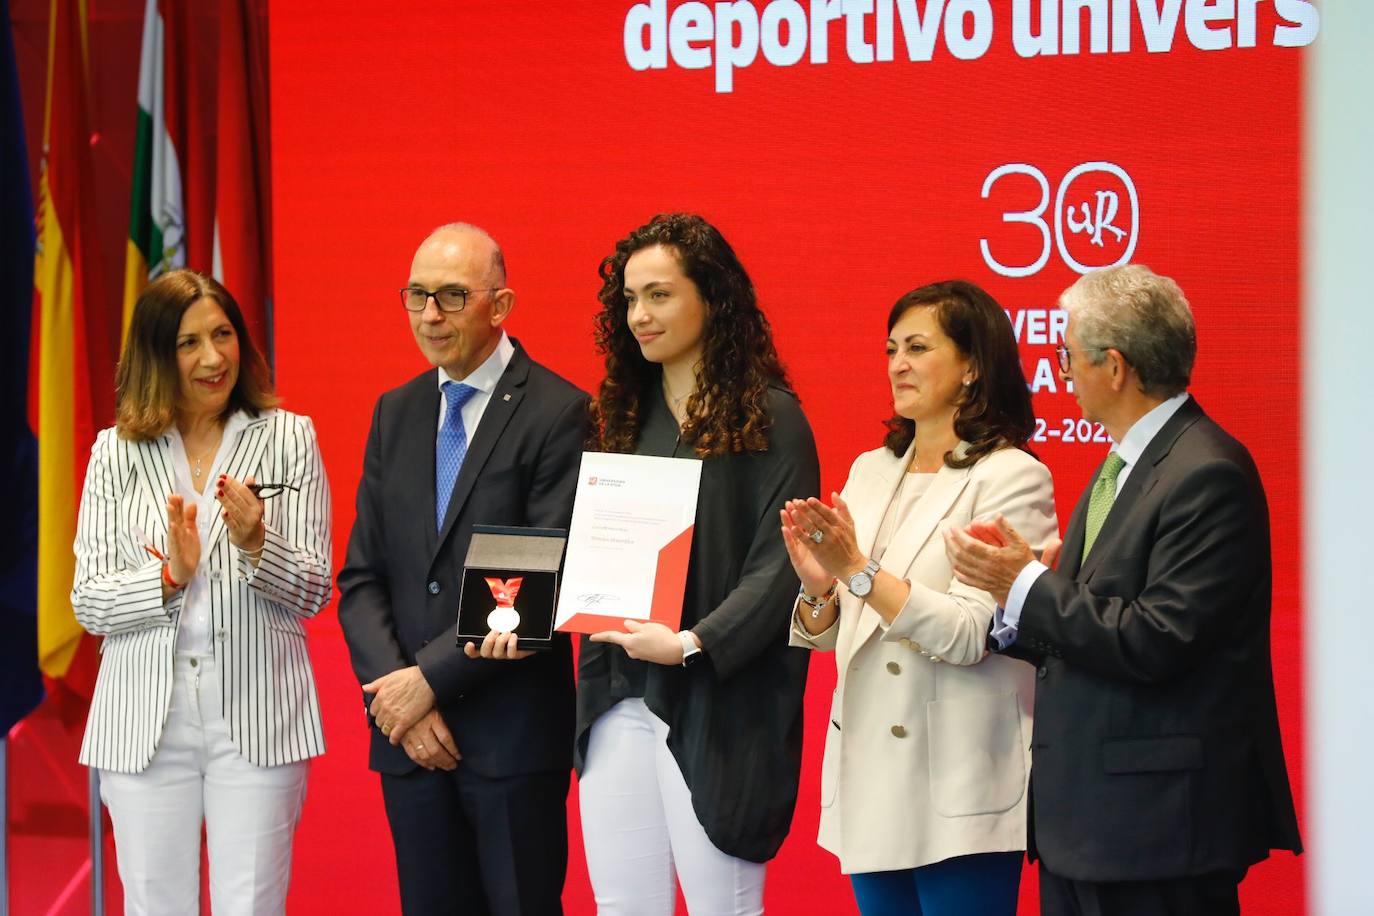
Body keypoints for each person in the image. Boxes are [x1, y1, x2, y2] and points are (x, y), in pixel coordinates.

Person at [944, 265, 1302, 915]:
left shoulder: (1207, 472)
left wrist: (1024, 582)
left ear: (1115, 366)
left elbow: (1155, 638)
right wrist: (1015, 604)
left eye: (1068, 355)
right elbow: (1091, 624)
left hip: (1160, 829)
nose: (1063, 371)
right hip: (1090, 826)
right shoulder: (1126, 464)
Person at [566, 212, 818, 915]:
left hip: (722, 705)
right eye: (629, 299)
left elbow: (780, 569)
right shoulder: (619, 415)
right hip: (619, 693)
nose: (639, 315)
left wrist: (688, 643)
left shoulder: (772, 417)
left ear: (712, 297)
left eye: (659, 295)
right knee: (622, 905)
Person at [781, 280, 1058, 915]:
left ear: (972, 368)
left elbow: (971, 633)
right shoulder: (870, 468)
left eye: (917, 347)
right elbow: (842, 629)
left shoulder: (1012, 476)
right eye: (890, 348)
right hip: (870, 774)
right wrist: (818, 586)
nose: (897, 364)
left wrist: (854, 568)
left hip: (956, 779)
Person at [337, 223, 587, 916]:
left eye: (451, 296)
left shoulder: (557, 412)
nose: (429, 315)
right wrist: (398, 703)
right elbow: (362, 579)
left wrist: (428, 683)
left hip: (509, 742)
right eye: (416, 295)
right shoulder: (396, 411)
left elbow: (533, 580)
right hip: (406, 743)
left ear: (500, 306)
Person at [71, 269, 332, 915]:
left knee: (252, 904)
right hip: (143, 719)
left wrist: (254, 545)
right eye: (189, 343)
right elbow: (90, 600)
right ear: (157, 354)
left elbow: (316, 587)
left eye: (223, 335)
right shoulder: (114, 453)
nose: (214, 358)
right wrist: (168, 579)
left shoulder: (287, 436)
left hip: (257, 710)